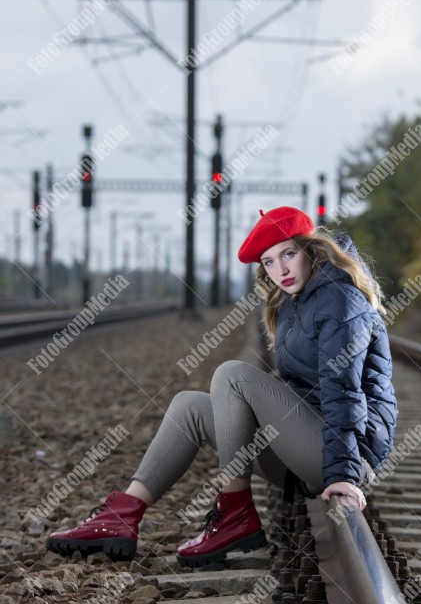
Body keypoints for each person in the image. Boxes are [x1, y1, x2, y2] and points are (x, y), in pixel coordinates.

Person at [46, 206, 397, 568]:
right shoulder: (296, 301)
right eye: (270, 262)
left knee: (232, 374)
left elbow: (344, 392)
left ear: (310, 249)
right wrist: (262, 402)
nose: (282, 270)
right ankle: (121, 515)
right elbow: (304, 386)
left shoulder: (339, 298)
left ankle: (234, 515)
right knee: (189, 406)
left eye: (288, 254)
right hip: (307, 447)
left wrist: (343, 475)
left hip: (347, 454)